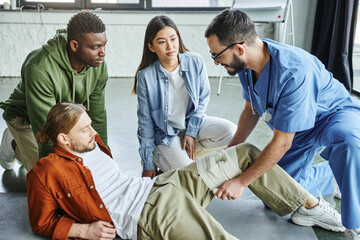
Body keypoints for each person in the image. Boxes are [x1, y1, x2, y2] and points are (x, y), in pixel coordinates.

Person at [27, 102, 344, 240]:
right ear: (63, 139)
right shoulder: (46, 171)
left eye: (90, 124)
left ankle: (307, 208)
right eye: (85, 129)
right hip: (150, 217)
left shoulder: (91, 141)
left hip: (164, 185)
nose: (93, 131)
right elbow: (41, 222)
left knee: (246, 153)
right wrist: (84, 231)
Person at [205, 9, 360, 239]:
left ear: (239, 48)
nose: (217, 62)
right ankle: (333, 177)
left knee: (348, 142)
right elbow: (251, 111)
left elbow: (281, 142)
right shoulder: (244, 65)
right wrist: (229, 153)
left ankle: (354, 224)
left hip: (333, 115)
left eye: (217, 55)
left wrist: (241, 181)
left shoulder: (294, 72)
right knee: (276, 196)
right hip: (298, 129)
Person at [0, 11, 108, 171]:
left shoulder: (97, 66)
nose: (103, 52)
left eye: (105, 44)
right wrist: (55, 174)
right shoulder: (39, 67)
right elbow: (44, 125)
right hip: (25, 118)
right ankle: (13, 143)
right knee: (43, 173)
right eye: (95, 47)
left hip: (61, 120)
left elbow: (97, 117)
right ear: (74, 45)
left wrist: (105, 159)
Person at [133, 15, 237, 178]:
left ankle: (184, 160)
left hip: (192, 123)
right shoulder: (145, 76)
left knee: (231, 132)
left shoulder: (195, 61)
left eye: (173, 39)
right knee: (191, 177)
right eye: (161, 42)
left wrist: (191, 132)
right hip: (165, 135)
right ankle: (159, 157)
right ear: (151, 47)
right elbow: (145, 123)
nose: (170, 46)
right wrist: (146, 163)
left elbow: (203, 99)